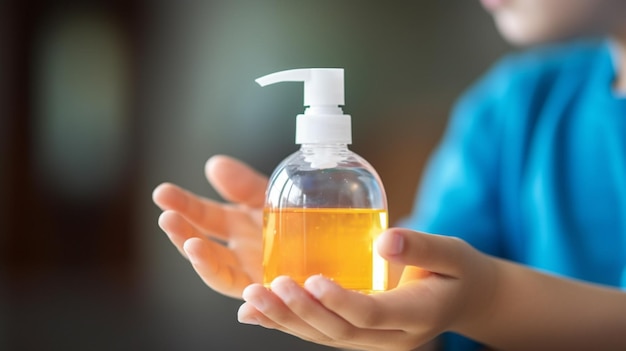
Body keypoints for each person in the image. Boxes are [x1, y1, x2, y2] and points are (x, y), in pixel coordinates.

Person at [153, 0, 626, 350]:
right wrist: (388, 309)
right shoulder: (511, 107)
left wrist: (487, 299)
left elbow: (465, 295)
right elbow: (421, 282)